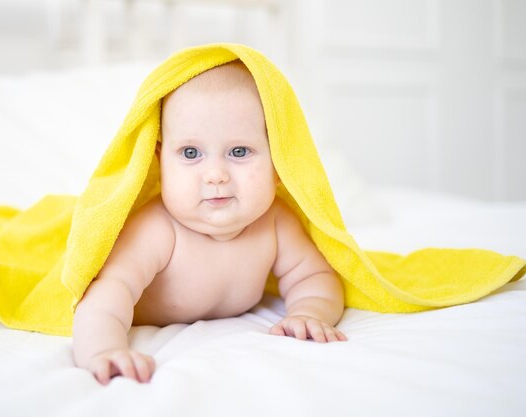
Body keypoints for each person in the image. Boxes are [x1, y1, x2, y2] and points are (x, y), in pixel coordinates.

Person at [72, 61, 347, 385]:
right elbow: (106, 295)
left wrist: (309, 313)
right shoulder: (157, 230)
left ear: (278, 164)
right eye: (190, 153)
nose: (216, 175)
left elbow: (315, 276)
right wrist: (103, 350)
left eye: (239, 151)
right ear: (161, 162)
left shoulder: (275, 224)